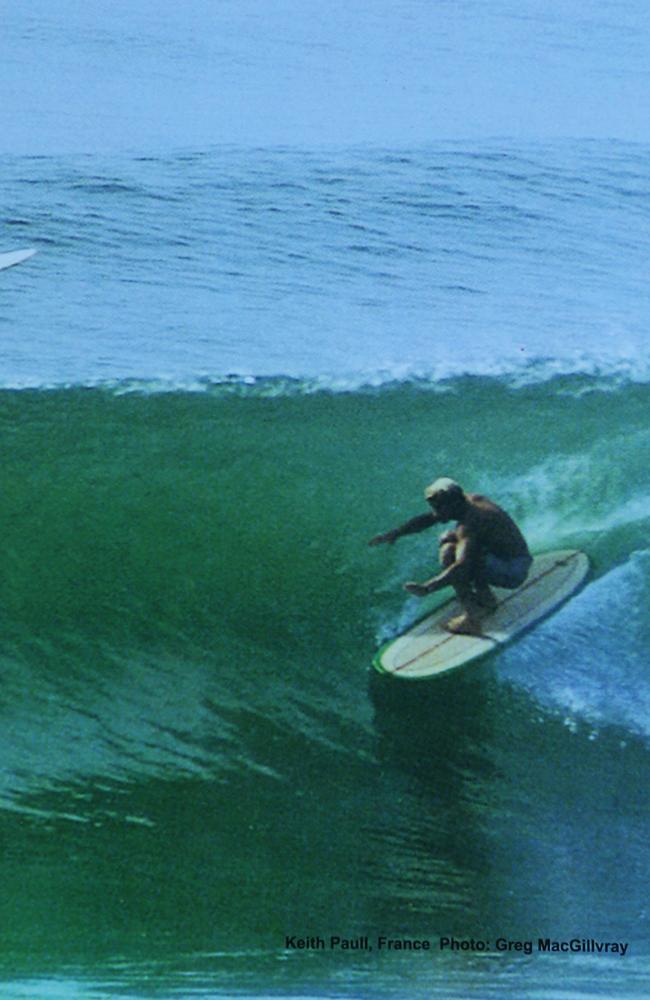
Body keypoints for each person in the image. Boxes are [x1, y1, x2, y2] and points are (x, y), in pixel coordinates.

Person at [369, 477, 532, 635]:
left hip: (513, 571)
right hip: (511, 559)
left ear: (452, 504)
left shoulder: (470, 523)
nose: (435, 512)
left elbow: (462, 565)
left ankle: (472, 617)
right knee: (450, 539)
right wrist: (396, 533)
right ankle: (486, 599)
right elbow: (429, 519)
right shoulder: (466, 501)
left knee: (448, 551)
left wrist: (428, 587)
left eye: (438, 507)